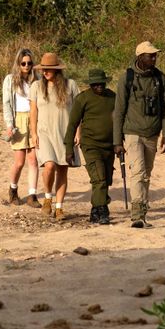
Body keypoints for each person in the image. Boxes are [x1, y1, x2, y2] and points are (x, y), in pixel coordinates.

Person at [112, 40, 165, 228]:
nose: (154, 58)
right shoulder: (127, 78)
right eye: (150, 55)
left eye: (155, 55)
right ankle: (137, 215)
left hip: (152, 132)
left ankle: (143, 210)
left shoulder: (160, 79)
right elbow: (119, 110)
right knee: (138, 171)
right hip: (132, 132)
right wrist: (117, 141)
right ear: (140, 57)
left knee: (146, 173)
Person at [30, 51, 80, 222]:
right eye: (43, 69)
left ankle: (59, 208)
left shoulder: (70, 85)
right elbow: (33, 112)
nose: (45, 72)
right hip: (44, 132)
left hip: (65, 132)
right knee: (49, 165)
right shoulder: (36, 86)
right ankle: (47, 197)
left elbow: (77, 110)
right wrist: (34, 133)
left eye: (49, 69)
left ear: (57, 70)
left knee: (62, 169)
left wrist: (78, 131)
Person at [66, 67, 117, 225]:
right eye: (95, 84)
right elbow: (72, 124)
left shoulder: (113, 97)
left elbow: (120, 120)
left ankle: (95, 211)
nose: (99, 86)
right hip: (90, 144)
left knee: (106, 178)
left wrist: (120, 143)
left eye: (101, 83)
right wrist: (69, 149)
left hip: (110, 145)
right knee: (99, 177)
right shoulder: (82, 99)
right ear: (90, 84)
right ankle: (102, 210)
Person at [0, 48, 40, 206]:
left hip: (33, 118)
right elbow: (6, 104)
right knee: (19, 161)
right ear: (18, 63)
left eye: (29, 63)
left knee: (33, 160)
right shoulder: (10, 79)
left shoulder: (36, 80)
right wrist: (10, 125)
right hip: (18, 120)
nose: (26, 66)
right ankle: (13, 189)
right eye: (23, 63)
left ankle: (32, 195)